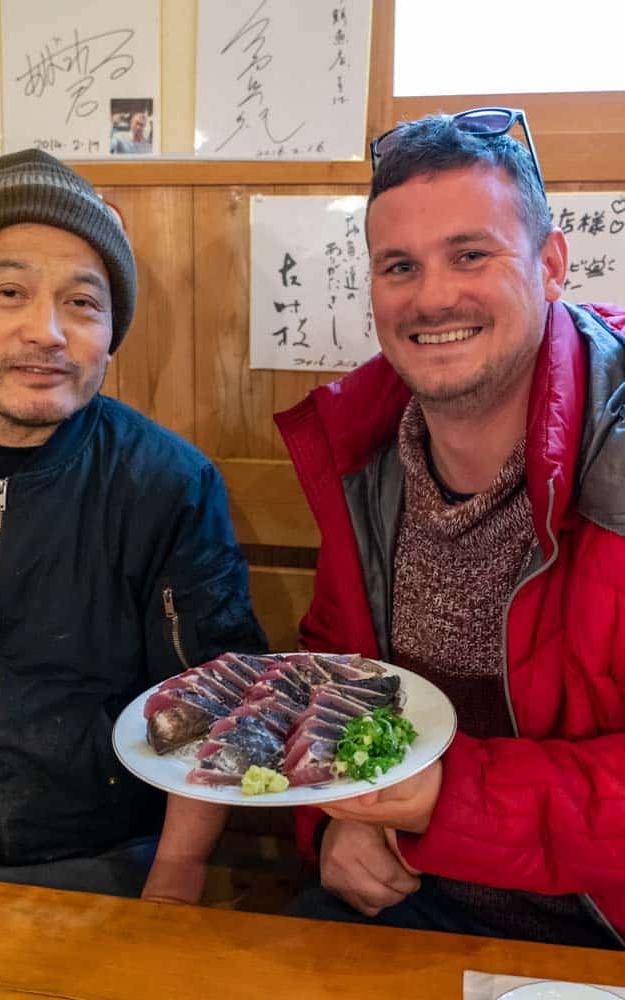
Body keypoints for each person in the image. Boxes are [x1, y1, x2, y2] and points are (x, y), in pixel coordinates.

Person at [0, 148, 266, 896]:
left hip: (113, 853)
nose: (48, 332)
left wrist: (177, 873)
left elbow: (213, 694)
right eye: (8, 292)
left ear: (110, 335)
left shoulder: (168, 484)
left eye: (83, 303)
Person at [275, 109, 625, 947]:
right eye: (401, 266)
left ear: (549, 264)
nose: (433, 296)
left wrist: (446, 796)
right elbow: (332, 671)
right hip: (412, 902)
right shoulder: (362, 453)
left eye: (471, 255)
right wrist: (335, 822)